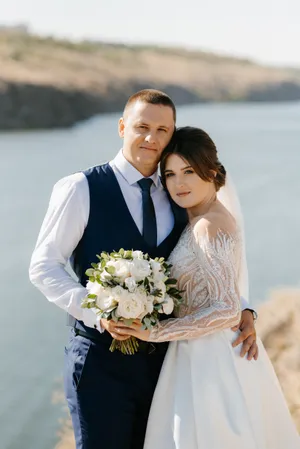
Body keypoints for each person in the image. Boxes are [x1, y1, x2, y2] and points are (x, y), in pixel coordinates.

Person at [29, 90, 257, 449]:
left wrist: (242, 306)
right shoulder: (81, 188)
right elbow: (43, 266)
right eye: (142, 127)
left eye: (163, 130)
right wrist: (97, 311)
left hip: (166, 366)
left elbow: (206, 260)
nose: (152, 138)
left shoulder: (179, 190)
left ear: (172, 133)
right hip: (101, 364)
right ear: (122, 127)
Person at [115, 126, 300, 448]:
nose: (179, 183)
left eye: (188, 171)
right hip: (202, 351)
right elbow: (228, 293)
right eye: (170, 174)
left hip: (209, 362)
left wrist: (152, 332)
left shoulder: (208, 226)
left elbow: (226, 308)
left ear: (210, 171)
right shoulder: (202, 218)